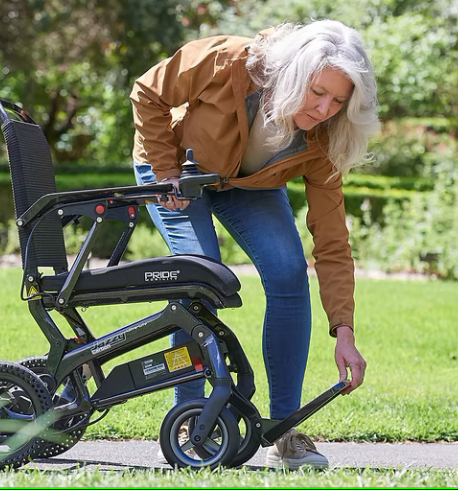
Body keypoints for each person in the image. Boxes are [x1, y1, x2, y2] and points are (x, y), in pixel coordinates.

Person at [129, 18, 379, 469]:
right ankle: (188, 421)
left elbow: (332, 240)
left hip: (250, 185)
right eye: (317, 92)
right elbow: (148, 90)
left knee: (288, 273)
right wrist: (165, 169)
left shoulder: (326, 137)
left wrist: (344, 329)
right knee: (198, 275)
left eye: (338, 101)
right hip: (177, 168)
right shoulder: (228, 60)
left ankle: (285, 432)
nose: (324, 108)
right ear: (295, 75)